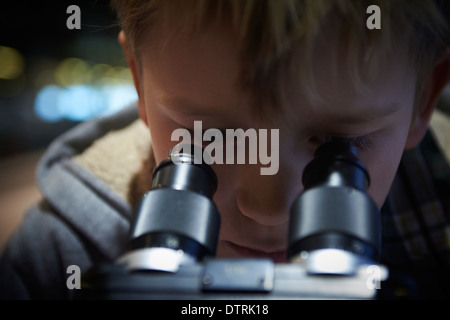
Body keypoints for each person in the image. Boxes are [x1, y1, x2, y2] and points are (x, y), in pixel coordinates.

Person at [1, 0, 450, 299]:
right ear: (139, 83)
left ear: (423, 99)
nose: (268, 207)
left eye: (340, 145)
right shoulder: (55, 259)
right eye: (206, 139)